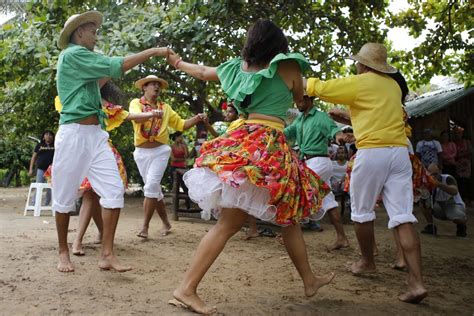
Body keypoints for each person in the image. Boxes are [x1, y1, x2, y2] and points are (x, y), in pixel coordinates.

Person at [166, 19, 335, 314]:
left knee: (288, 217)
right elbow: (299, 96)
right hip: (268, 145)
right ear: (278, 44)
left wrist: (178, 62)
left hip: (244, 141)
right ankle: (186, 287)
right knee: (230, 223)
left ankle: (309, 280)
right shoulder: (289, 68)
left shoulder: (236, 68)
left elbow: (204, 72)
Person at [306, 42, 427, 303]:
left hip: (372, 153)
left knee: (361, 213)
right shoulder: (393, 86)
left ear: (363, 64)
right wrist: (349, 119)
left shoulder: (361, 81)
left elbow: (319, 88)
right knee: (403, 216)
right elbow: (377, 114)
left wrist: (298, 78)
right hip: (398, 153)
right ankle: (416, 282)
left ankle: (366, 261)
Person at [53, 10, 170, 272]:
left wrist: (112, 67)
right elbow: (115, 66)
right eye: (93, 31)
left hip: (95, 136)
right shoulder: (72, 54)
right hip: (73, 134)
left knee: (114, 191)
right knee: (64, 196)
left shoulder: (83, 62)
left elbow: (103, 76)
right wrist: (151, 51)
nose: (96, 36)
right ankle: (63, 251)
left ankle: (107, 254)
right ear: (79, 32)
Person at [51, 82, 163, 255]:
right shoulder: (75, 97)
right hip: (82, 149)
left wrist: (151, 113)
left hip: (100, 151)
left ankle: (86, 239)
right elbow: (131, 116)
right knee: (91, 196)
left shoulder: (107, 106)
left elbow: (130, 116)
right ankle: (80, 241)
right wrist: (151, 113)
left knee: (96, 197)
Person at [130, 75, 206, 239]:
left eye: (158, 84)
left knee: (150, 187)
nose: (156, 87)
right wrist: (151, 114)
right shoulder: (136, 104)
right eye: (152, 84)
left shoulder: (166, 108)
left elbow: (181, 125)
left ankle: (145, 227)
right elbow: (134, 117)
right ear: (144, 87)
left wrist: (197, 118)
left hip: (160, 151)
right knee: (154, 190)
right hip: (141, 153)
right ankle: (166, 223)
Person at [284, 94, 350, 250]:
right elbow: (287, 132)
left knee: (295, 192)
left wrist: (339, 136)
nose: (297, 102)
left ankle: (291, 237)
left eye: (300, 99)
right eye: (296, 99)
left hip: (317, 162)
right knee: (329, 202)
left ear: (310, 99)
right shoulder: (300, 119)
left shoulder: (321, 117)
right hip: (314, 162)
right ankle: (342, 238)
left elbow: (334, 130)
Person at [421, 163, 467, 237]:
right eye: (431, 174)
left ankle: (461, 224)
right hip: (439, 206)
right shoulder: (427, 181)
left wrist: (439, 184)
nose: (433, 177)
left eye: (436, 174)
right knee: (424, 202)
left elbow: (454, 191)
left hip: (453, 204)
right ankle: (430, 225)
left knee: (457, 217)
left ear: (440, 172)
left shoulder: (448, 178)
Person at [28, 131, 55, 205]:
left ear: (53, 137)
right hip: (41, 169)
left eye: (50, 135)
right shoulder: (39, 145)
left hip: (51, 170)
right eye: (46, 134)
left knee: (49, 187)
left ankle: (47, 203)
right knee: (38, 185)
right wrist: (31, 169)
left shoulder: (56, 145)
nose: (48, 136)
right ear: (43, 137)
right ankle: (34, 203)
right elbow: (33, 157)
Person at [453, 127, 472, 205]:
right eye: (456, 133)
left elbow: (470, 152)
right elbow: (453, 154)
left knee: (467, 181)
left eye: (459, 133)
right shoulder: (454, 143)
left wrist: (460, 155)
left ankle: (469, 198)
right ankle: (463, 199)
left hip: (466, 163)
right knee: (460, 181)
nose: (458, 135)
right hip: (458, 164)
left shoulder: (467, 142)